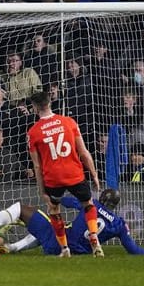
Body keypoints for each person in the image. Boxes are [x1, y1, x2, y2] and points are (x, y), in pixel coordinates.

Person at [0, 190, 144, 256]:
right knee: (45, 228)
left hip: (61, 242)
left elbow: (67, 201)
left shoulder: (91, 204)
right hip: (71, 251)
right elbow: (133, 249)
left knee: (21, 209)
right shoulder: (119, 223)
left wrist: (58, 197)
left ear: (101, 197)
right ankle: (10, 247)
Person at [26, 91, 103, 257]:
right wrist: (94, 174)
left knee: (54, 209)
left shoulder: (33, 132)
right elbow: (83, 152)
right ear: (50, 103)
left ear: (34, 108)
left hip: (53, 179)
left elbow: (37, 166)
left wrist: (43, 191)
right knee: (88, 203)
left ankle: (65, 249)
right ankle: (94, 237)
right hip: (74, 174)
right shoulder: (69, 122)